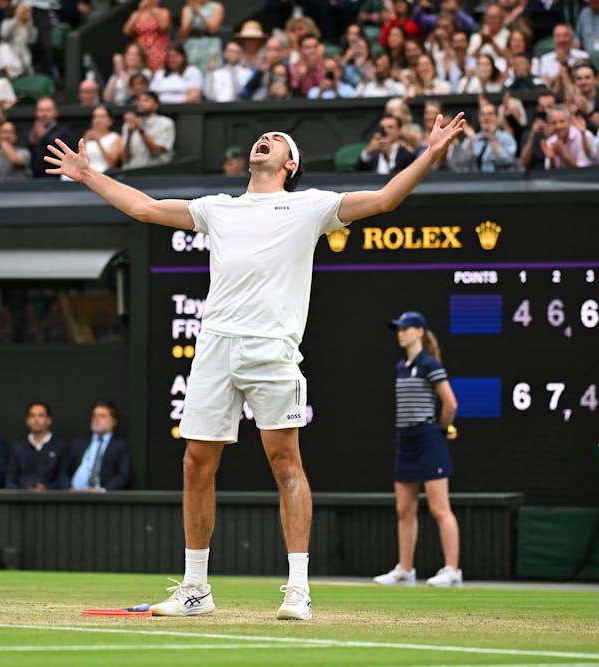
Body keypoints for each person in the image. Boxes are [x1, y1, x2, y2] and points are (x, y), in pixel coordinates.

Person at [44, 102, 466, 620]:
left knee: (285, 462)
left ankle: (297, 590)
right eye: (259, 137)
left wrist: (427, 156)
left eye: (275, 138)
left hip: (273, 350)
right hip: (216, 346)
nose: (263, 140)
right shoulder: (218, 207)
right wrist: (88, 174)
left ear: (290, 164)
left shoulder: (311, 206)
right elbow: (147, 209)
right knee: (196, 464)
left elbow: (383, 199)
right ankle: (196, 589)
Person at [374, 311, 461, 587]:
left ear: (419, 332)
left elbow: (451, 403)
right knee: (404, 509)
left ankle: (452, 570)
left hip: (428, 439)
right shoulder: (402, 366)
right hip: (406, 440)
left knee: (439, 508)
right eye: (398, 329)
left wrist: (442, 428)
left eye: (406, 328)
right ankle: (405, 570)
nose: (400, 333)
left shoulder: (429, 363)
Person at [5, 401, 71, 490]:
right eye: (32, 416)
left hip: (51, 499)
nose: (36, 420)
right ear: (27, 420)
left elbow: (64, 478)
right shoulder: (18, 448)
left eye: (41, 416)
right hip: (22, 499)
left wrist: (47, 488)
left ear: (49, 420)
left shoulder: (60, 446)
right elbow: (10, 478)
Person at [67, 401, 131, 492]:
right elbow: (64, 472)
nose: (96, 419)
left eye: (102, 416)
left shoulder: (120, 445)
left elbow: (123, 476)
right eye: (94, 415)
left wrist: (102, 490)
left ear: (113, 422)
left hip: (102, 498)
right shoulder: (78, 442)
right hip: (74, 495)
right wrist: (68, 488)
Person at [120, 90, 174, 170]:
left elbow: (156, 151)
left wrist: (140, 129)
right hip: (130, 172)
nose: (141, 103)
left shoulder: (166, 123)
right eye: (139, 100)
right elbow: (125, 159)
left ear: (156, 105)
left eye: (146, 100)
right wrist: (129, 135)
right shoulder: (129, 124)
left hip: (154, 173)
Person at [26, 96, 75, 179]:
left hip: (57, 178)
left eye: (48, 110)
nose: (44, 114)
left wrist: (44, 137)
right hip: (33, 179)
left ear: (55, 112)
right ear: (36, 112)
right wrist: (31, 142)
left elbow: (63, 152)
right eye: (41, 110)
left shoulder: (63, 131)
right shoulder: (31, 131)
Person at [122, 0, 170, 73]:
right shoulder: (136, 14)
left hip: (159, 49)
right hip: (143, 52)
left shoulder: (163, 12)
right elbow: (126, 31)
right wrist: (139, 11)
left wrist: (152, 11)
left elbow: (164, 27)